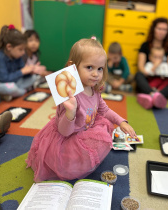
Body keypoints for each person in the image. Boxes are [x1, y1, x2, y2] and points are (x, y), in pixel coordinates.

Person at [26, 37, 136, 182]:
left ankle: (84, 160)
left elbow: (104, 110)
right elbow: (64, 132)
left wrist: (121, 122)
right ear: (73, 67)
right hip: (67, 138)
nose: (96, 74)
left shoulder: (94, 89)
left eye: (100, 69)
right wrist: (70, 112)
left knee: (105, 127)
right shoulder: (69, 95)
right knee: (67, 165)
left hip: (85, 129)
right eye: (89, 67)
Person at [0, 25, 43, 102]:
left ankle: (9, 94)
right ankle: (23, 92)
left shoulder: (18, 56)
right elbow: (4, 79)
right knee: (12, 87)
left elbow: (22, 73)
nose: (23, 52)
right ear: (9, 47)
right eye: (20, 49)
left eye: (24, 49)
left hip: (12, 81)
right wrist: (23, 71)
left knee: (33, 77)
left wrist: (31, 71)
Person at [135, 17, 168, 109]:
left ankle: (155, 96)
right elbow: (141, 67)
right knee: (138, 75)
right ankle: (154, 95)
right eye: (159, 29)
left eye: (164, 29)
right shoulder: (145, 46)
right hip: (149, 79)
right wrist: (152, 69)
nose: (161, 32)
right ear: (154, 30)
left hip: (163, 80)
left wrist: (165, 73)